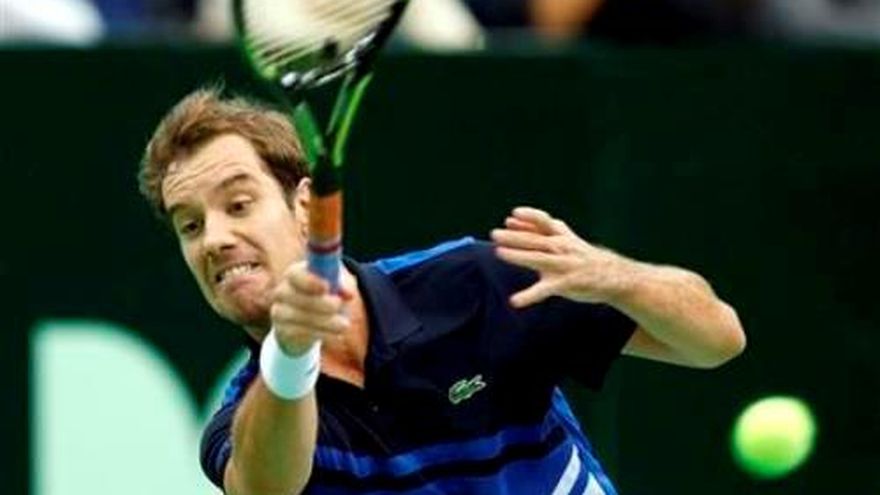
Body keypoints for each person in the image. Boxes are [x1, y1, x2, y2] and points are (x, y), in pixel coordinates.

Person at [139, 87, 745, 495]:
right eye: (190, 226)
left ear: (305, 207)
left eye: (238, 204)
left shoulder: (478, 284)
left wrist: (618, 277)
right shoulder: (248, 420)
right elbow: (266, 488)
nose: (214, 239)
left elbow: (717, 340)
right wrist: (293, 351)